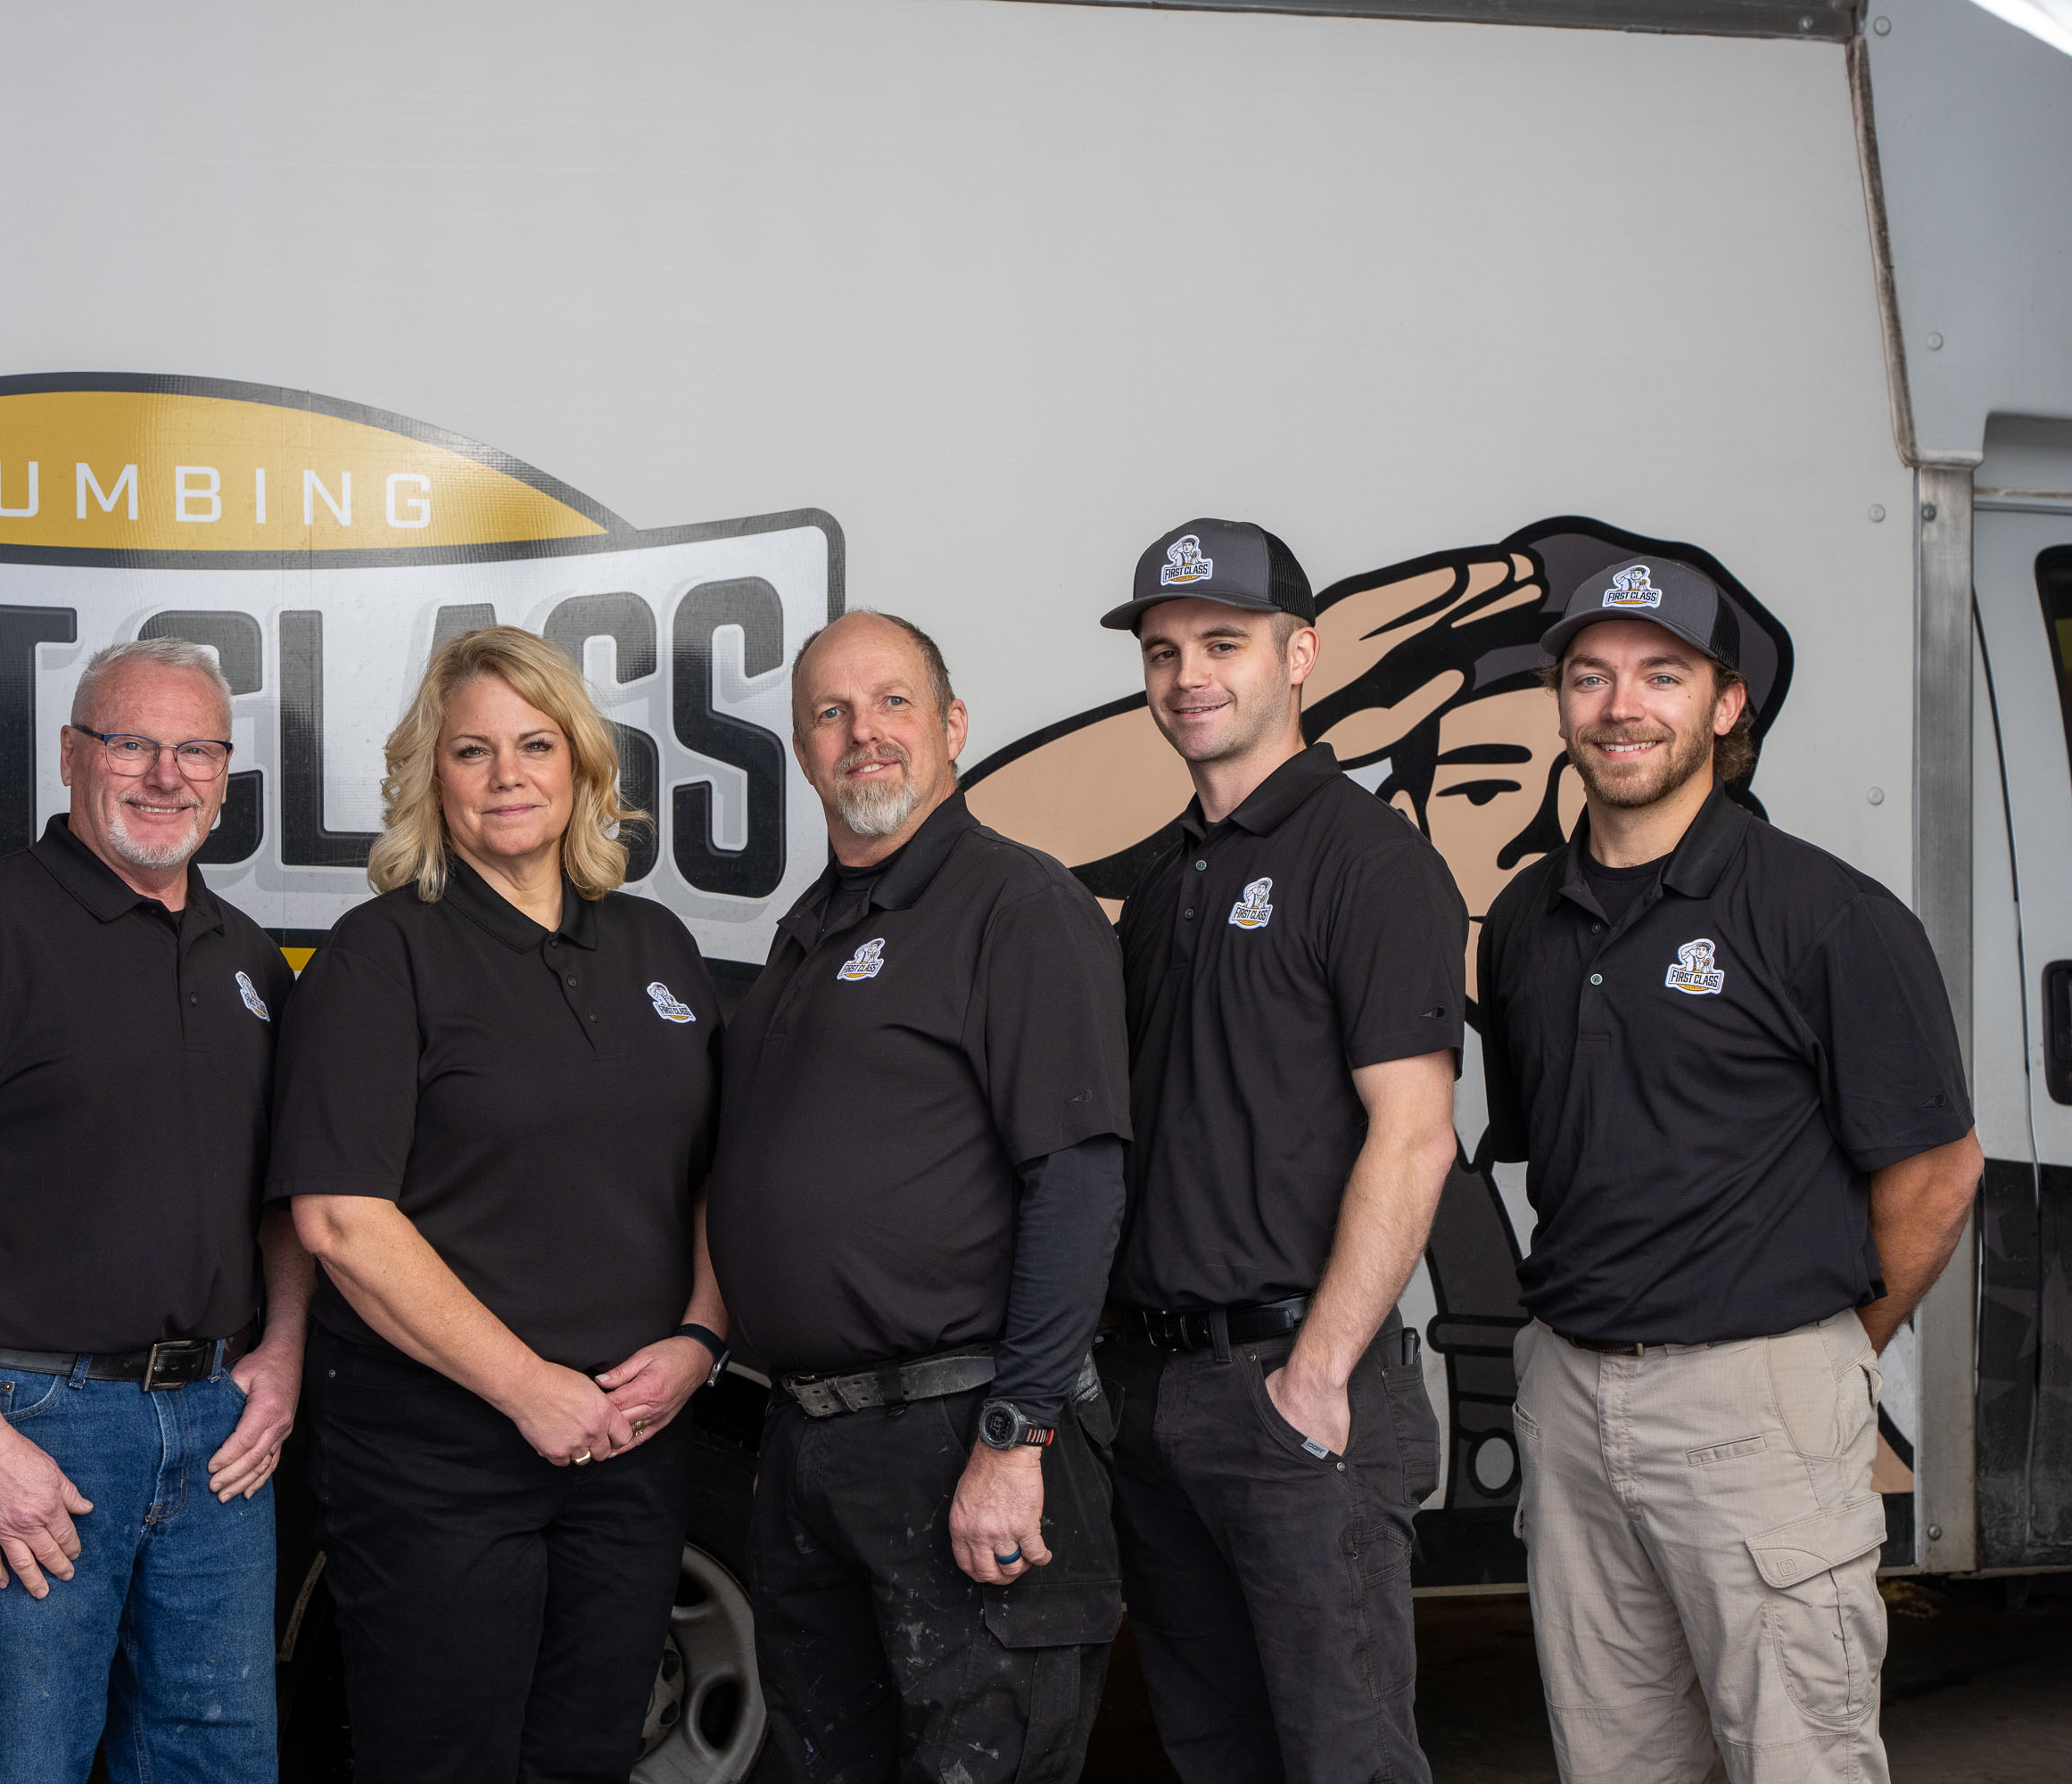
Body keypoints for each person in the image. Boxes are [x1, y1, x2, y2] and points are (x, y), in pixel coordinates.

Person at [1477, 557, 1984, 1782]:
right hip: (1570, 1399)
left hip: (1758, 1403)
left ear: (1726, 703)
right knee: (1616, 1763)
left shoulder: (1827, 914)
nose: (1621, 706)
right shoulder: (1525, 920)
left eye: (1662, 674)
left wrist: (1829, 1354)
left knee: (1797, 1758)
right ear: (1561, 703)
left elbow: (1938, 1172)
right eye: (1590, 676)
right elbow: (1562, 1155)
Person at [0, 638, 305, 1784]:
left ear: (225, 774)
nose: (165, 775)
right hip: (33, 1421)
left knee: (219, 1763)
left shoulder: (248, 958)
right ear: (71, 754)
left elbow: (288, 1199)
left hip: (218, 1431)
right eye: (132, 742)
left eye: (197, 749)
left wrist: (282, 1352)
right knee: (18, 1763)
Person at [274, 625, 728, 1784]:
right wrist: (528, 1387)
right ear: (433, 775)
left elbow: (718, 1174)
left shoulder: (657, 944)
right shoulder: (381, 956)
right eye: (473, 750)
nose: (508, 775)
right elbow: (340, 1220)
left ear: (581, 761)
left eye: (535, 744)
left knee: (586, 1756)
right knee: (446, 1761)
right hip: (439, 1457)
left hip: (631, 1444)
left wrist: (699, 1339)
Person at [708, 610, 1130, 1784]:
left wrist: (1016, 1435)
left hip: (965, 1429)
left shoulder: (1017, 906)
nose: (865, 733)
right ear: (804, 752)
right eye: (831, 713)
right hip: (816, 1441)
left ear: (952, 725)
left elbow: (1078, 1181)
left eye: (893, 701)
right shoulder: (808, 929)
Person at [1094, 518, 1465, 1784]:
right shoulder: (1163, 883)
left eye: (1223, 643)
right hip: (1158, 1394)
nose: (1187, 675)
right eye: (1163, 652)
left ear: (1299, 655)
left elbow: (1415, 1135)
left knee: (1343, 1758)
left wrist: (1316, 1377)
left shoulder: (1370, 861)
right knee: (1216, 1753)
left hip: (1294, 1385)